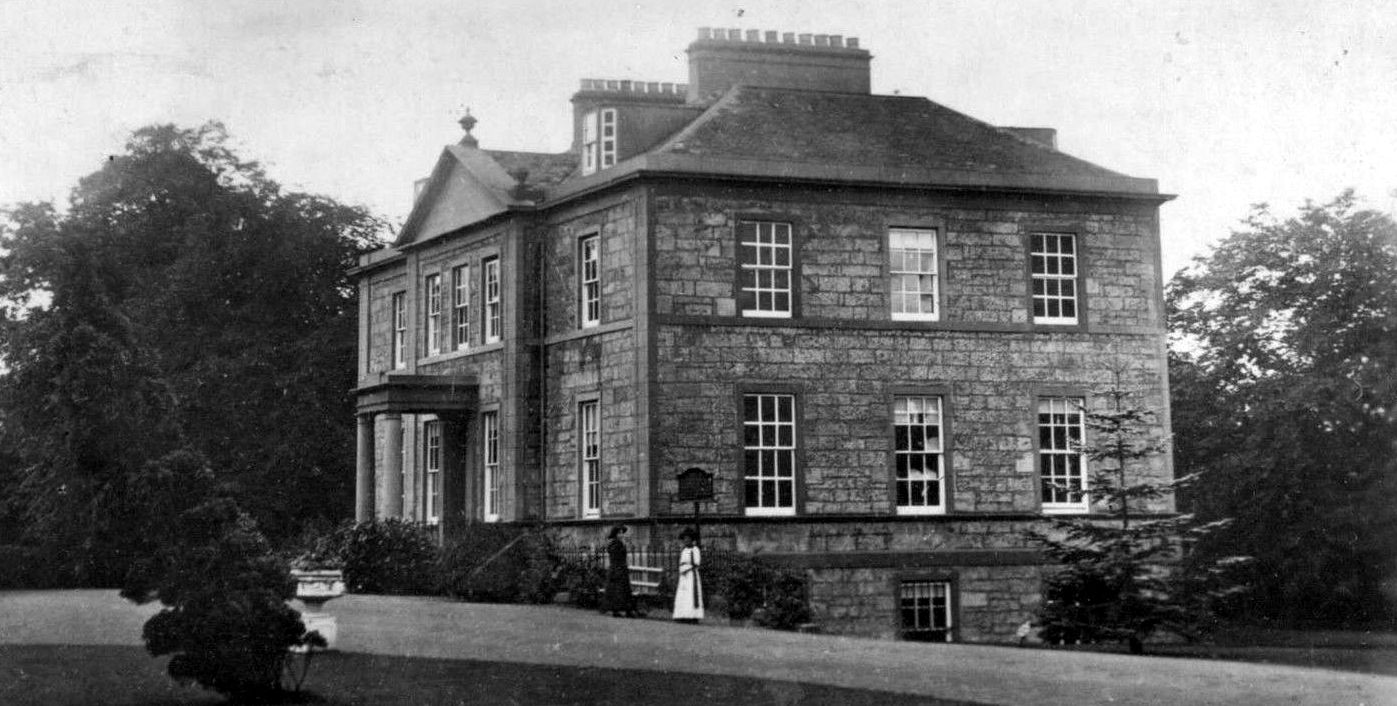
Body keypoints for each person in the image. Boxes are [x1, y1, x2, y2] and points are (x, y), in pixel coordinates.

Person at [602, 525, 637, 618]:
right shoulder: (615, 544)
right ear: (616, 534)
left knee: (622, 590)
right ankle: (618, 610)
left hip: (619, 569)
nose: (622, 535)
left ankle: (625, 610)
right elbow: (617, 556)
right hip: (617, 569)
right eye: (620, 533)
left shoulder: (618, 543)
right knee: (619, 590)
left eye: (622, 533)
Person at [672, 527, 703, 623]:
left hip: (691, 576)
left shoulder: (695, 550)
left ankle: (692, 616)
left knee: (691, 595)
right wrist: (682, 569)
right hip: (684, 576)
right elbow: (681, 562)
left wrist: (687, 568)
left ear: (692, 539)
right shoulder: (684, 550)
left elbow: (696, 562)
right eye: (684, 538)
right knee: (683, 595)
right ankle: (682, 615)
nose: (686, 540)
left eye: (688, 538)